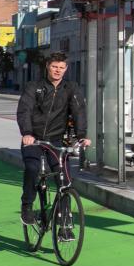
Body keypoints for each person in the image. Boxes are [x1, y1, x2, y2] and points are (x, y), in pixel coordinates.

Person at [16, 52, 89, 226]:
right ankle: (27, 206)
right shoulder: (34, 86)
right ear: (48, 66)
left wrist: (82, 136)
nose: (57, 70)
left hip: (56, 140)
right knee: (32, 169)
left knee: (64, 179)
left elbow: (79, 111)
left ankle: (65, 223)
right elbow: (24, 110)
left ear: (66, 69)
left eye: (61, 67)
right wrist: (27, 133)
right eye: (54, 66)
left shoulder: (71, 87)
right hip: (33, 138)